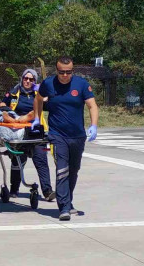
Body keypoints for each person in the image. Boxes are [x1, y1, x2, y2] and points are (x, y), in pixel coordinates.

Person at [32, 56, 98, 221]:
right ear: (57, 70)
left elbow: (92, 105)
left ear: (72, 71)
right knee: (62, 169)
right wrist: (36, 118)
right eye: (62, 72)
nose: (65, 75)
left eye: (68, 72)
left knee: (74, 170)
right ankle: (63, 208)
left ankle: (68, 202)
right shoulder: (48, 84)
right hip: (57, 134)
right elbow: (38, 99)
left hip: (77, 135)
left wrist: (94, 125)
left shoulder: (81, 84)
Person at [0, 69, 55, 201]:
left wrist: (48, 96)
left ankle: (47, 191)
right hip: (18, 132)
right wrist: (11, 114)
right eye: (26, 78)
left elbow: (51, 105)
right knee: (18, 160)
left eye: (31, 79)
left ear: (35, 81)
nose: (28, 81)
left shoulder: (40, 94)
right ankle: (14, 189)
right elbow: (1, 105)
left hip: (36, 132)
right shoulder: (13, 93)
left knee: (41, 160)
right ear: (22, 78)